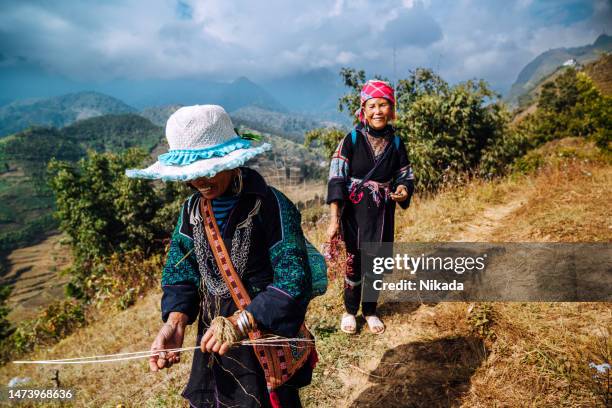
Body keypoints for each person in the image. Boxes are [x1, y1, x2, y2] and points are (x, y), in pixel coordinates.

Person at [126, 105, 321, 408]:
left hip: (263, 332)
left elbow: (294, 278)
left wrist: (242, 321)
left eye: (210, 167)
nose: (201, 180)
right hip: (214, 337)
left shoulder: (269, 205)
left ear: (232, 160)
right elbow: (181, 270)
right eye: (192, 174)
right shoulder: (190, 212)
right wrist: (175, 322)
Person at [326, 80, 415, 335]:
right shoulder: (351, 140)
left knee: (376, 264)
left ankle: (371, 310)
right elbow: (336, 179)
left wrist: (403, 190)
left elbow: (405, 175)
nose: (378, 111)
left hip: (383, 214)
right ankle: (350, 311)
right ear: (363, 110)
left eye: (383, 105)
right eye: (372, 105)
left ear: (392, 108)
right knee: (354, 262)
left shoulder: (397, 143)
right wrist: (334, 220)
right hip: (354, 214)